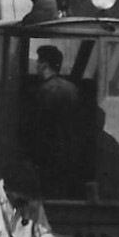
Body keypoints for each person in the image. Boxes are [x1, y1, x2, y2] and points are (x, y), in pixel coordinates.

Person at [30, 43, 85, 194]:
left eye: (38, 63)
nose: (36, 67)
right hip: (70, 150)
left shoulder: (44, 91)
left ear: (44, 65)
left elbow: (38, 125)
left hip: (48, 151)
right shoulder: (73, 89)